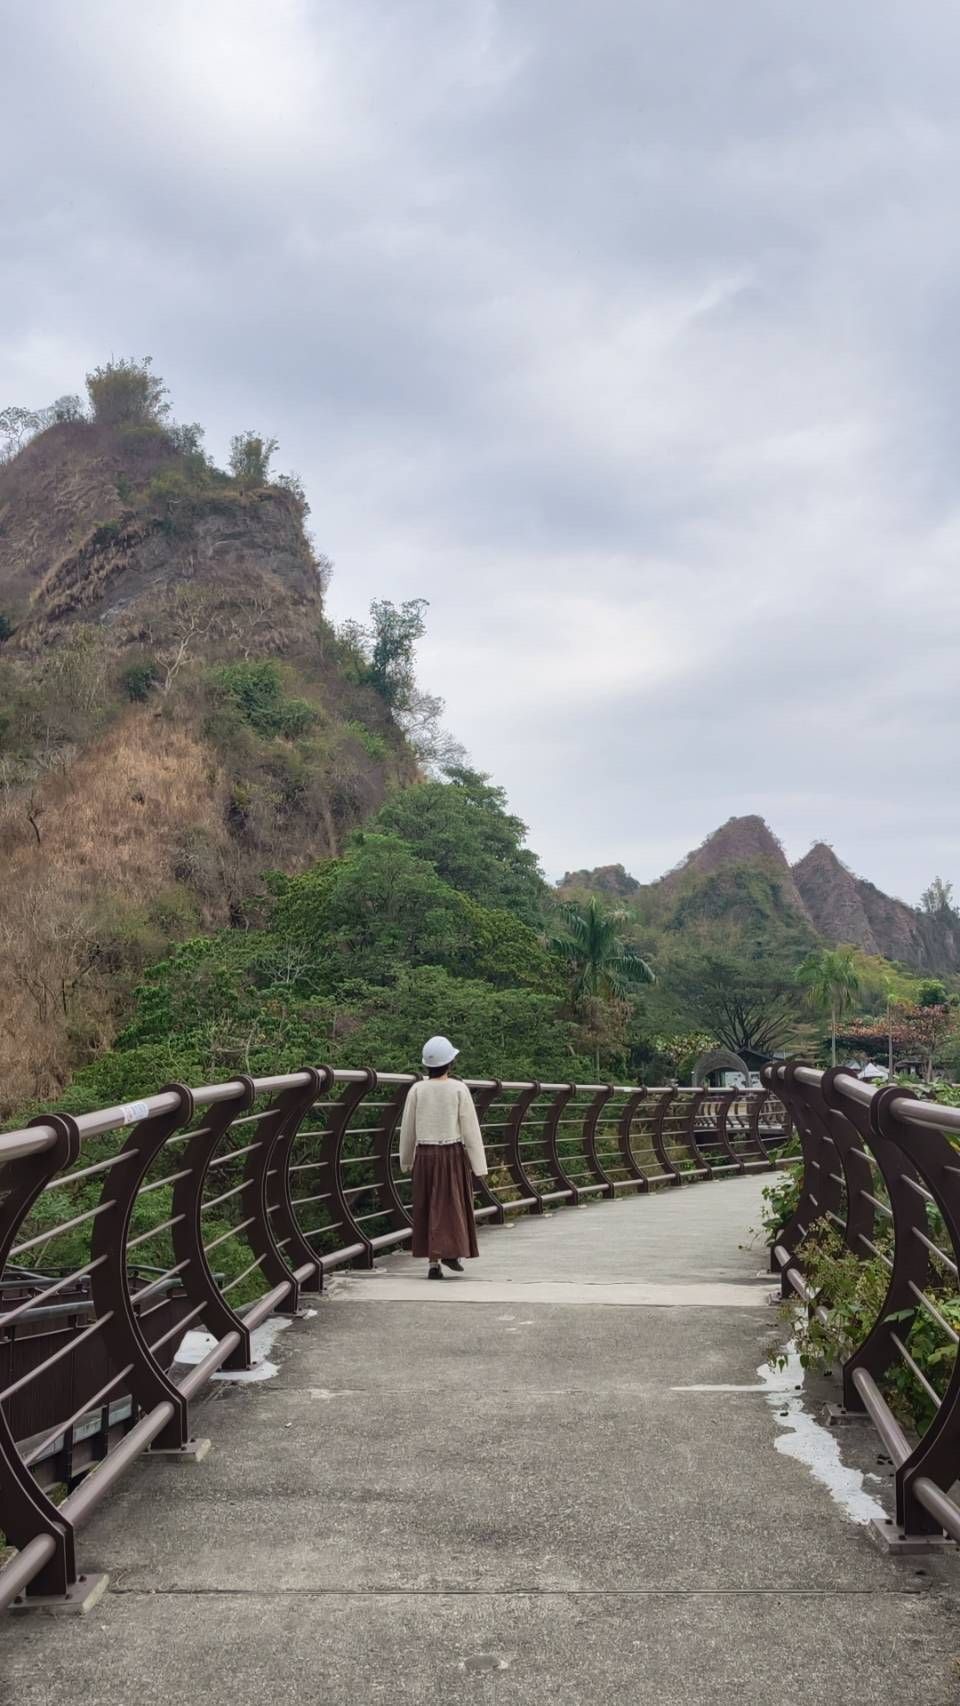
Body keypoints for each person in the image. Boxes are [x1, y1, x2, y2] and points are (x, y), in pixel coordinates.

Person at [398, 1035, 488, 1279]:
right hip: (451, 1153)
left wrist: (406, 1159)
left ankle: (433, 1263)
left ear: (426, 1065)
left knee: (427, 1205)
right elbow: (470, 1129)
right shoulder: (459, 1089)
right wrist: (479, 1165)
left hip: (425, 1155)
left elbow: (408, 1128)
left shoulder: (417, 1089)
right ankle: (452, 1252)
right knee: (452, 1204)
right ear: (450, 1063)